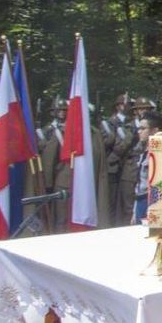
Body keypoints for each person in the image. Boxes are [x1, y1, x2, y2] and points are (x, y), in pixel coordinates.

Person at [40, 97, 111, 229]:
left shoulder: (94, 133)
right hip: (66, 182)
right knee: (63, 219)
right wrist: (48, 183)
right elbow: (49, 159)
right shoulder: (60, 132)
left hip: (81, 182)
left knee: (80, 220)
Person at [131, 111, 162, 224]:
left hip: (152, 201)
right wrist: (134, 211)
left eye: (143, 128)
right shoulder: (143, 150)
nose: (139, 131)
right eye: (139, 128)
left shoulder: (160, 153)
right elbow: (138, 183)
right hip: (140, 200)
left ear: (155, 130)